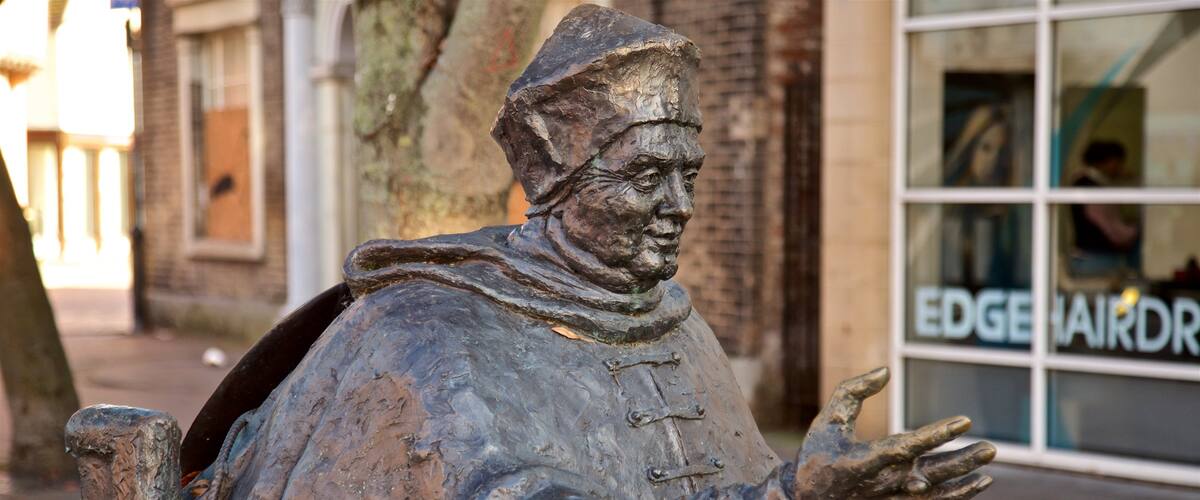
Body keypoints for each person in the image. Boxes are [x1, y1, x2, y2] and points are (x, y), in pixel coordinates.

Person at [172, 6, 994, 499]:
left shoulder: (671, 321)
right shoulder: (425, 331)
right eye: (644, 176)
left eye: (688, 174)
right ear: (557, 181)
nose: (679, 206)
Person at [1069, 141, 1140, 276]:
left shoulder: (1087, 182)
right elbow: (1111, 229)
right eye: (1118, 163)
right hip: (1097, 258)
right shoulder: (1090, 186)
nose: (1120, 168)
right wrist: (1136, 230)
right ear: (1109, 161)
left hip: (1089, 257)